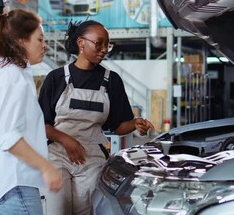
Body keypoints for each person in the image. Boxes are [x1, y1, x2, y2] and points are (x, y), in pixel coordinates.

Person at [38, 20, 154, 215]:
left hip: (91, 159)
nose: (103, 50)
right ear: (81, 43)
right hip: (57, 155)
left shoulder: (111, 80)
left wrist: (134, 123)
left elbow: (117, 126)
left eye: (107, 45)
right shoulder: (56, 78)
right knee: (58, 210)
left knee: (86, 211)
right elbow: (41, 124)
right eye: (98, 43)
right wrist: (66, 140)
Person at [0, 8, 63, 215]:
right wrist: (46, 167)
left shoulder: (5, 72)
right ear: (21, 41)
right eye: (39, 39)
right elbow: (8, 137)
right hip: (14, 182)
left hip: (5, 181)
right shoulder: (12, 78)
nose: (45, 45)